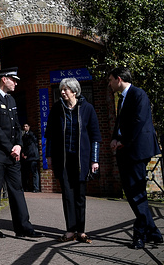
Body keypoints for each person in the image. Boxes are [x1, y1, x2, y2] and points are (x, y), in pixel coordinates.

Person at [0, 67, 42, 239]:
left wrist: (19, 146)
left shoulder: (11, 100)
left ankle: (23, 227)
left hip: (12, 153)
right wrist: (10, 148)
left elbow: (17, 126)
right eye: (13, 80)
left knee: (17, 189)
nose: (16, 83)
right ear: (4, 79)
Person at [108, 67, 163, 249]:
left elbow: (138, 121)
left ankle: (140, 234)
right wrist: (115, 138)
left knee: (136, 192)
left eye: (110, 80)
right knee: (133, 192)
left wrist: (122, 141)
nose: (109, 84)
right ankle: (153, 231)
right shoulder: (122, 98)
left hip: (136, 150)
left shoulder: (138, 94)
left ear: (118, 79)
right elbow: (120, 122)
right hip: (126, 150)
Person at [44, 77, 101, 243]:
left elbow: (95, 136)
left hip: (81, 159)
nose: (62, 92)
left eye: (65, 89)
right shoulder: (57, 108)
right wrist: (48, 156)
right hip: (63, 159)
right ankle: (70, 230)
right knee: (67, 195)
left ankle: (81, 231)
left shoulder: (88, 108)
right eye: (61, 89)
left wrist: (94, 159)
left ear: (74, 91)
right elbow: (50, 135)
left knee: (80, 195)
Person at [21, 123, 40, 193]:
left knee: (34, 172)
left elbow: (30, 146)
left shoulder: (31, 135)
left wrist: (26, 154)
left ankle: (36, 187)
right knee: (26, 173)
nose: (25, 127)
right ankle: (26, 187)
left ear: (29, 127)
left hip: (32, 156)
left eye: (26, 126)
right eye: (24, 126)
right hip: (27, 157)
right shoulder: (24, 136)